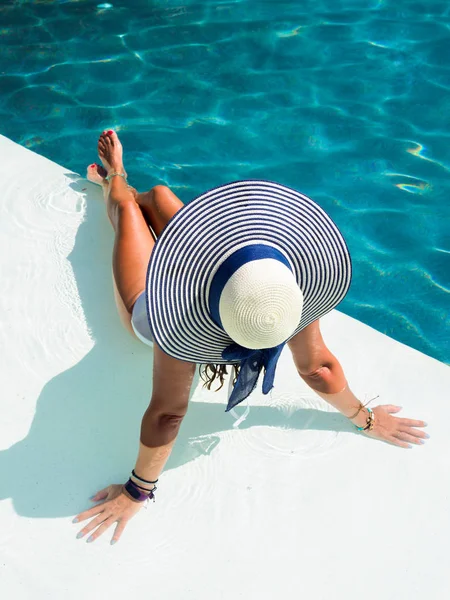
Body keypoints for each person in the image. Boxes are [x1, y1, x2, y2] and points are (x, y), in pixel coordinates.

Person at [73, 130, 428, 545]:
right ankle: (146, 195)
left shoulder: (182, 326)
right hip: (223, 289)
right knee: (163, 195)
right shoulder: (280, 295)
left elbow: (167, 414)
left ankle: (116, 176)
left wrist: (137, 493)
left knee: (127, 210)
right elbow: (318, 367)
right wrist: (363, 420)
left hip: (153, 307)